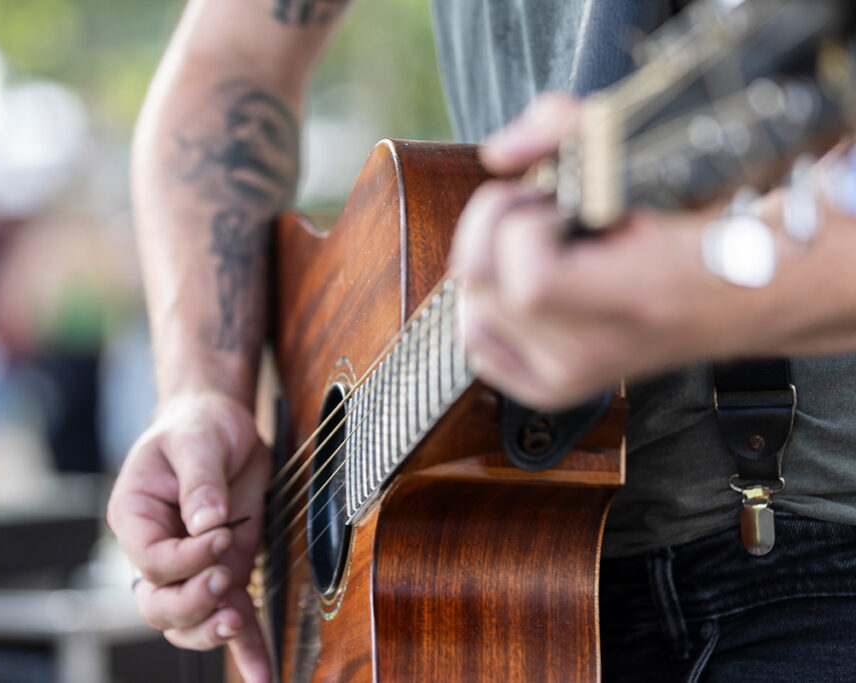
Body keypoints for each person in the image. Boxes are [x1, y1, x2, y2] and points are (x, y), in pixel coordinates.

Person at [107, 1, 856, 681]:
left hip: (804, 565)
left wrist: (702, 286)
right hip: (480, 581)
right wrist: (202, 388)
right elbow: (227, 66)